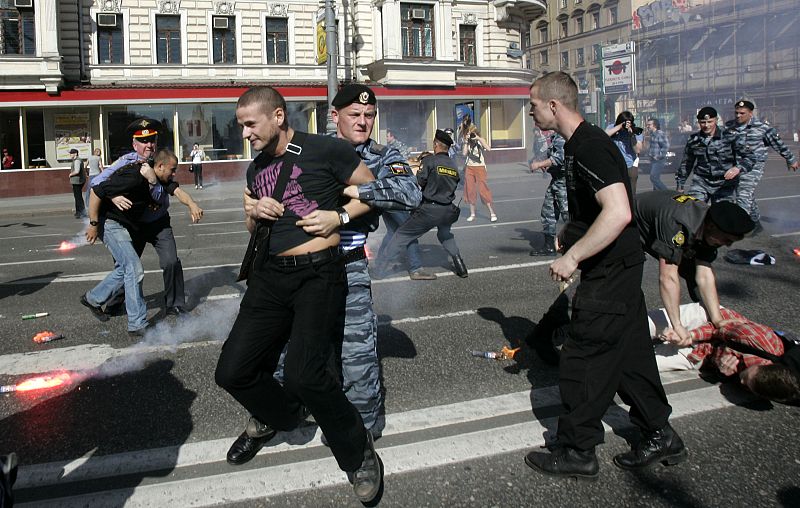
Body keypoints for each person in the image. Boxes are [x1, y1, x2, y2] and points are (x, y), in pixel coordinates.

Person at [228, 83, 423, 465]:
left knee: (356, 355)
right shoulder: (303, 149)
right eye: (355, 115)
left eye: (369, 116)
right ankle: (271, 418)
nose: (363, 122)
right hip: (295, 271)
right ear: (335, 117)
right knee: (285, 355)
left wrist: (344, 212)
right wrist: (254, 206)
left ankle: (362, 434)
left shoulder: (383, 156)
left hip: (347, 265)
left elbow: (409, 194)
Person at [214, 86, 383, 504]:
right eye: (241, 127)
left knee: (306, 374)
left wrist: (338, 217)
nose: (246, 134)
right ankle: (284, 416)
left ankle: (356, 451)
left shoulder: (326, 150)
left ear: (277, 116)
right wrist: (254, 213)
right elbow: (252, 227)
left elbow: (375, 190)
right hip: (270, 276)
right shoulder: (256, 169)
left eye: (250, 125)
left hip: (318, 274)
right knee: (232, 371)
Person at [524, 72, 684, 480]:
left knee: (583, 356)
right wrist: (571, 229)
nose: (531, 110)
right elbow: (600, 209)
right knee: (630, 355)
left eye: (534, 104)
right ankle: (659, 432)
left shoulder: (591, 146)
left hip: (611, 269)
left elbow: (618, 212)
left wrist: (573, 256)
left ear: (554, 106)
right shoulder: (580, 144)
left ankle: (578, 450)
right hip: (621, 265)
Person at [92, 118, 203, 317]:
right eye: (144, 141)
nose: (149, 145)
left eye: (152, 140)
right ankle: (115, 302)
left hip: (159, 224)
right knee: (127, 265)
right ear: (135, 144)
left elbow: (176, 190)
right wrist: (113, 195)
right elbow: (98, 183)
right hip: (133, 226)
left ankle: (175, 303)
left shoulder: (160, 164)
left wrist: (192, 204)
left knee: (171, 261)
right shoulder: (126, 163)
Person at [634, 190, 755, 345]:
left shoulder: (710, 226)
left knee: (693, 272)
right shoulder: (679, 223)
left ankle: (705, 323)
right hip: (630, 223)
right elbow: (668, 277)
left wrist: (718, 319)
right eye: (726, 239)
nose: (728, 245)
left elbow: (704, 274)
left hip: (663, 221)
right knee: (627, 278)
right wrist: (677, 325)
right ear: (711, 226)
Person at [82, 149, 180, 336]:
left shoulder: (156, 179)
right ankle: (137, 323)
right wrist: (93, 224)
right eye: (172, 169)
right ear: (159, 166)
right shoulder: (134, 177)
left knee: (124, 268)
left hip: (124, 225)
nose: (174, 173)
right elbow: (96, 190)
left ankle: (92, 299)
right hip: (110, 223)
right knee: (134, 268)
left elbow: (175, 191)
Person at [651, 303, 800, 405]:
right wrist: (687, 336)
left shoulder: (764, 385)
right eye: (747, 380)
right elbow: (718, 328)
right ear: (761, 367)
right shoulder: (759, 341)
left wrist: (720, 367)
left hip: (702, 353)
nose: (742, 383)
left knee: (644, 363)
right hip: (708, 321)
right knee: (642, 326)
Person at [373, 130, 467, 278]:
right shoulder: (454, 166)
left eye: (434, 144)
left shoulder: (430, 161)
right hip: (448, 210)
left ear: (436, 145)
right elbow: (458, 184)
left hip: (430, 209)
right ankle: (460, 266)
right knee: (445, 235)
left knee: (401, 235)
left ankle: (380, 270)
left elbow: (419, 183)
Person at [725, 99, 799, 235]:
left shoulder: (762, 129)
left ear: (751, 113)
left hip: (755, 166)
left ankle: (740, 227)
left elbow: (778, 144)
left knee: (743, 192)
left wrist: (791, 159)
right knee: (747, 195)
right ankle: (756, 222)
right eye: (736, 113)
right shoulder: (729, 127)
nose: (738, 116)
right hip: (736, 165)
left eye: (742, 113)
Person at [676, 106, 754, 204]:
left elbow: (750, 157)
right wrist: (680, 185)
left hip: (724, 184)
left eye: (710, 122)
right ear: (699, 122)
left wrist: (737, 168)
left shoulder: (730, 135)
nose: (706, 125)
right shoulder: (693, 140)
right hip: (701, 182)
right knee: (693, 208)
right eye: (703, 122)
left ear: (716, 120)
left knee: (721, 214)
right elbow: (686, 163)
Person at [529, 132, 567, 256]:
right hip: (556, 181)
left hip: (564, 183)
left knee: (568, 216)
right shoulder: (555, 136)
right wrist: (544, 163)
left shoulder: (561, 136)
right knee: (547, 213)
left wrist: (539, 164)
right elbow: (551, 156)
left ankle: (580, 246)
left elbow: (560, 158)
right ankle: (549, 246)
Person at [462, 125, 498, 222]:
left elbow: (488, 148)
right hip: (469, 167)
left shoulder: (480, 140)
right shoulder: (467, 142)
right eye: (468, 133)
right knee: (470, 190)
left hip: (480, 167)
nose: (470, 135)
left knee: (483, 189)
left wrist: (478, 138)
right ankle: (472, 214)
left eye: (471, 133)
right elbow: (464, 154)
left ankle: (492, 213)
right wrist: (466, 141)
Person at [605, 111, 644, 194]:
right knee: (616, 193)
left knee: (631, 193)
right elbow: (604, 136)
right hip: (614, 165)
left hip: (630, 165)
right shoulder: (612, 127)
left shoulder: (636, 131)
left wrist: (632, 136)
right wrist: (619, 127)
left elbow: (637, 150)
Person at [646, 118, 669, 191]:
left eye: (649, 125)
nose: (647, 126)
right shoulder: (652, 134)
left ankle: (667, 194)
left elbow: (666, 146)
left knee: (653, 177)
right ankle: (656, 196)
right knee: (655, 180)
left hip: (659, 160)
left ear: (655, 125)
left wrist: (659, 156)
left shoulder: (660, 133)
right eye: (647, 125)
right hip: (653, 159)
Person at [68, 148, 87, 218]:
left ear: (75, 154)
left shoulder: (77, 161)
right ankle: (78, 212)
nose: (70, 154)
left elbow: (77, 171)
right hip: (77, 181)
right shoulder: (76, 160)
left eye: (71, 153)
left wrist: (70, 174)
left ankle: (81, 212)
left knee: (78, 197)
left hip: (77, 181)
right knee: (77, 197)